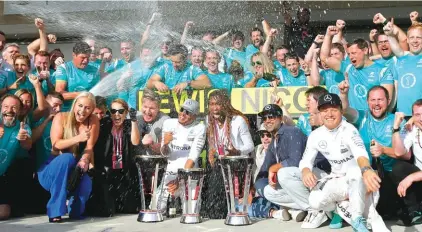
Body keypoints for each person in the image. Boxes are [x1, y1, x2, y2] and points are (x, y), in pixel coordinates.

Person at [299, 93, 388, 232]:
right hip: (339, 183)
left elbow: (360, 154)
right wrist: (305, 171)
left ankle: (357, 218)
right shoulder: (315, 135)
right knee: (314, 201)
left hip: (361, 183)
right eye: (324, 110)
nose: (329, 114)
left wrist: (366, 170)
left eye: (333, 109)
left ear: (341, 110)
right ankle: (344, 208)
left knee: (374, 220)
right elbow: (305, 161)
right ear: (320, 113)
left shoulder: (349, 130)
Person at [340, 79, 403, 219]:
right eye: (373, 100)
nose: (376, 104)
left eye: (380, 99)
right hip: (367, 172)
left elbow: (404, 155)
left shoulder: (397, 120)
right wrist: (344, 94)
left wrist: (384, 150)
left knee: (386, 210)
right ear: (367, 102)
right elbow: (345, 110)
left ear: (388, 100)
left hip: (391, 175)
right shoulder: (362, 117)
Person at [37, 92, 99, 223]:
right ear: (74, 105)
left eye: (87, 108)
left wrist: (84, 160)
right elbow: (56, 145)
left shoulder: (93, 120)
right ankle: (55, 211)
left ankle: (75, 210)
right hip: (50, 173)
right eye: (80, 106)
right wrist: (78, 138)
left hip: (73, 172)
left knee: (86, 183)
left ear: (92, 110)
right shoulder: (61, 117)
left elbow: (89, 147)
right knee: (67, 158)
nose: (82, 111)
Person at [201, 90, 254, 219]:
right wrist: (212, 152)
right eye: (212, 104)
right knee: (208, 173)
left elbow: (250, 146)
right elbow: (212, 144)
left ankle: (219, 211)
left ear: (226, 104)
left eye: (218, 104)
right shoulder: (209, 120)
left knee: (218, 176)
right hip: (221, 161)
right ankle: (212, 210)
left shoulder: (238, 121)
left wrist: (236, 151)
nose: (215, 108)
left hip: (238, 161)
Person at [254, 103, 310, 222]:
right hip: (297, 184)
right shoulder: (274, 139)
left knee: (283, 173)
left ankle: (317, 208)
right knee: (268, 191)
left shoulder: (292, 132)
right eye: (265, 118)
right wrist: (258, 186)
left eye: (271, 117)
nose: (267, 120)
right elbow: (263, 171)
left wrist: (273, 169)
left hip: (312, 177)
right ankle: (302, 208)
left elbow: (295, 161)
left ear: (280, 118)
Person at [321, 25, 394, 111]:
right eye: (349, 54)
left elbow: (386, 101)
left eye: (354, 53)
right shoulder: (348, 68)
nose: (351, 57)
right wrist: (328, 35)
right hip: (352, 118)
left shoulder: (383, 71)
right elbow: (324, 57)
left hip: (371, 119)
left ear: (366, 50)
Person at [90, 99, 141, 215]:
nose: (116, 114)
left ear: (126, 112)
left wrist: (134, 121)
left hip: (124, 169)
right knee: (107, 210)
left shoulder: (129, 124)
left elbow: (136, 141)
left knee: (131, 209)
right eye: (113, 111)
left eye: (120, 111)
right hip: (106, 169)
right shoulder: (104, 124)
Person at [155, 99, 206, 211]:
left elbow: (192, 157)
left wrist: (179, 180)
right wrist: (165, 144)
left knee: (191, 213)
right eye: (182, 109)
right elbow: (165, 154)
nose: (183, 114)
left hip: (189, 175)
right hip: (170, 174)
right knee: (155, 209)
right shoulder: (168, 123)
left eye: (187, 112)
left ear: (194, 116)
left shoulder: (200, 128)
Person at [0, 94, 32, 220]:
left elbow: (28, 145)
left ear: (20, 111)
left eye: (14, 107)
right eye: (6, 107)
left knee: (4, 213)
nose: (9, 110)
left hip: (2, 178)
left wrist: (23, 139)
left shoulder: (23, 127)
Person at [392, 99, 422, 226]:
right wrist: (396, 128)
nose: (421, 118)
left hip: (418, 176)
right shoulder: (414, 129)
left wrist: (411, 177)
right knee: (399, 168)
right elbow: (399, 152)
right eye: (417, 115)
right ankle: (415, 211)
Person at [383, 20, 422, 116]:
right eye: (412, 37)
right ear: (407, 40)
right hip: (401, 116)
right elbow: (397, 49)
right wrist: (390, 35)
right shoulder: (402, 58)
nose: (415, 41)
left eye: (419, 37)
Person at [147, 44, 211, 94]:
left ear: (185, 59)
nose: (174, 65)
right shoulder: (166, 67)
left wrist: (188, 83)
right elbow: (149, 83)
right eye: (172, 61)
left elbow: (207, 84)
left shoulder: (192, 69)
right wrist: (155, 83)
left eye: (178, 62)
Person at [55, 42, 100, 112]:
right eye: (83, 57)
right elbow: (59, 94)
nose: (85, 61)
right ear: (74, 55)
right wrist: (82, 94)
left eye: (88, 58)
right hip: (68, 111)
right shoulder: (64, 68)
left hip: (88, 112)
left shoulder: (95, 69)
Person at [136, 88, 170, 156]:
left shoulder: (166, 121)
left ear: (158, 108)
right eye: (145, 107)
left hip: (157, 161)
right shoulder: (135, 118)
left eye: (152, 108)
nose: (147, 111)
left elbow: (169, 150)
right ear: (141, 105)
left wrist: (160, 148)